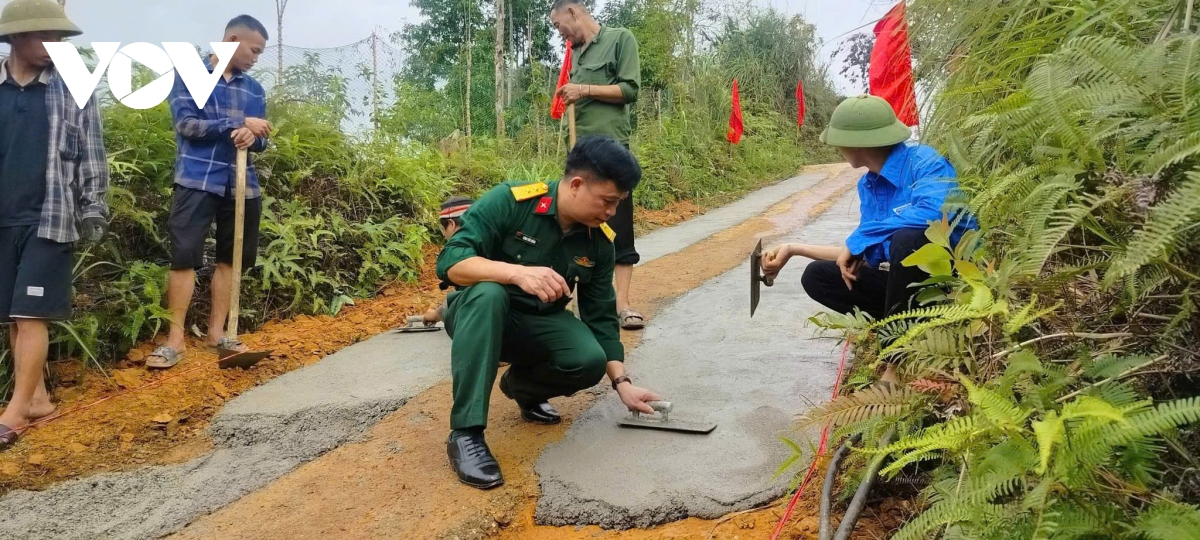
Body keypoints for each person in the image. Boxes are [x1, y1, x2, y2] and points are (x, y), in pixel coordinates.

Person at [437, 136, 662, 489]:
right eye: (607, 201)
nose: (611, 212)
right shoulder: (511, 201)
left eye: (618, 204)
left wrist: (622, 384)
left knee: (588, 358)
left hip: (538, 323)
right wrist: (515, 273)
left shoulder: (599, 241)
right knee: (489, 294)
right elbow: (451, 262)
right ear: (576, 185)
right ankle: (465, 433)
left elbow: (601, 318)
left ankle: (522, 388)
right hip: (478, 316)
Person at [759, 95, 977, 383]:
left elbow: (934, 213)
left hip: (948, 280)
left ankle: (896, 364)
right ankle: (911, 327)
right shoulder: (869, 184)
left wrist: (861, 237)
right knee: (816, 276)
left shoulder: (926, 162)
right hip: (907, 285)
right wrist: (793, 249)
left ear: (856, 144)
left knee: (907, 239)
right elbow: (861, 252)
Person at [0, 0, 109, 449]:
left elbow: (92, 154)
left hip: (52, 217)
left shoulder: (74, 87)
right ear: (17, 37)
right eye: (47, 36)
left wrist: (94, 206)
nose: (57, 44)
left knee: (31, 313)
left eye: (61, 37)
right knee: (12, 315)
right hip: (4, 218)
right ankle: (39, 400)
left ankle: (14, 413)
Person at [146, 15, 272, 369]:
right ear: (232, 40)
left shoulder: (254, 90)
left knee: (231, 259)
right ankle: (175, 339)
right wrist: (237, 123)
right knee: (184, 256)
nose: (256, 58)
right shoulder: (189, 74)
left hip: (242, 184)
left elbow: (262, 138)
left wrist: (252, 137)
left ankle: (218, 334)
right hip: (197, 179)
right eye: (254, 50)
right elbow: (187, 125)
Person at [549, 0, 646, 330]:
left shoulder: (620, 39)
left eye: (559, 25)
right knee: (573, 227)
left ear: (573, 13)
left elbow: (630, 89)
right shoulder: (575, 53)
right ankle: (571, 304)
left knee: (618, 226)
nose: (559, 32)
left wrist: (584, 89)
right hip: (579, 157)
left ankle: (623, 304)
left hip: (611, 153)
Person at [420, 196, 474, 326]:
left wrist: (437, 314)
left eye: (443, 230)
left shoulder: (459, 252)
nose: (444, 235)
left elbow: (468, 296)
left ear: (451, 224)